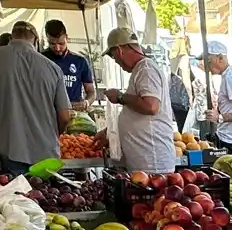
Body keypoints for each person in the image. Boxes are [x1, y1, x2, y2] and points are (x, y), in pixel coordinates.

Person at [0, 20, 71, 177]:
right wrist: (54, 135)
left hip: (13, 150)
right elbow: (65, 116)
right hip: (47, 153)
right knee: (47, 198)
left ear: (12, 37)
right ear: (35, 40)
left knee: (18, 198)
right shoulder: (53, 68)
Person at [102, 27, 176, 174]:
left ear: (119, 50)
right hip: (144, 162)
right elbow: (136, 111)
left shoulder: (146, 69)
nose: (115, 61)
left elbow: (151, 106)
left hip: (152, 163)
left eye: (112, 55)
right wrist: (109, 132)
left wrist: (120, 96)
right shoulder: (140, 69)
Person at [38, 19, 92, 110]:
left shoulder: (80, 61)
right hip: (47, 112)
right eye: (52, 44)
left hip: (73, 111)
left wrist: (86, 102)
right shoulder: (40, 59)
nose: (57, 48)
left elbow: (91, 91)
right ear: (46, 39)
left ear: (67, 38)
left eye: (61, 43)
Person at [167, 56, 192, 135]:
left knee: (181, 126)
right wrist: (191, 96)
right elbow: (187, 83)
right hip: (182, 101)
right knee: (185, 128)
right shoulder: (185, 61)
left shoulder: (174, 61)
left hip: (175, 99)